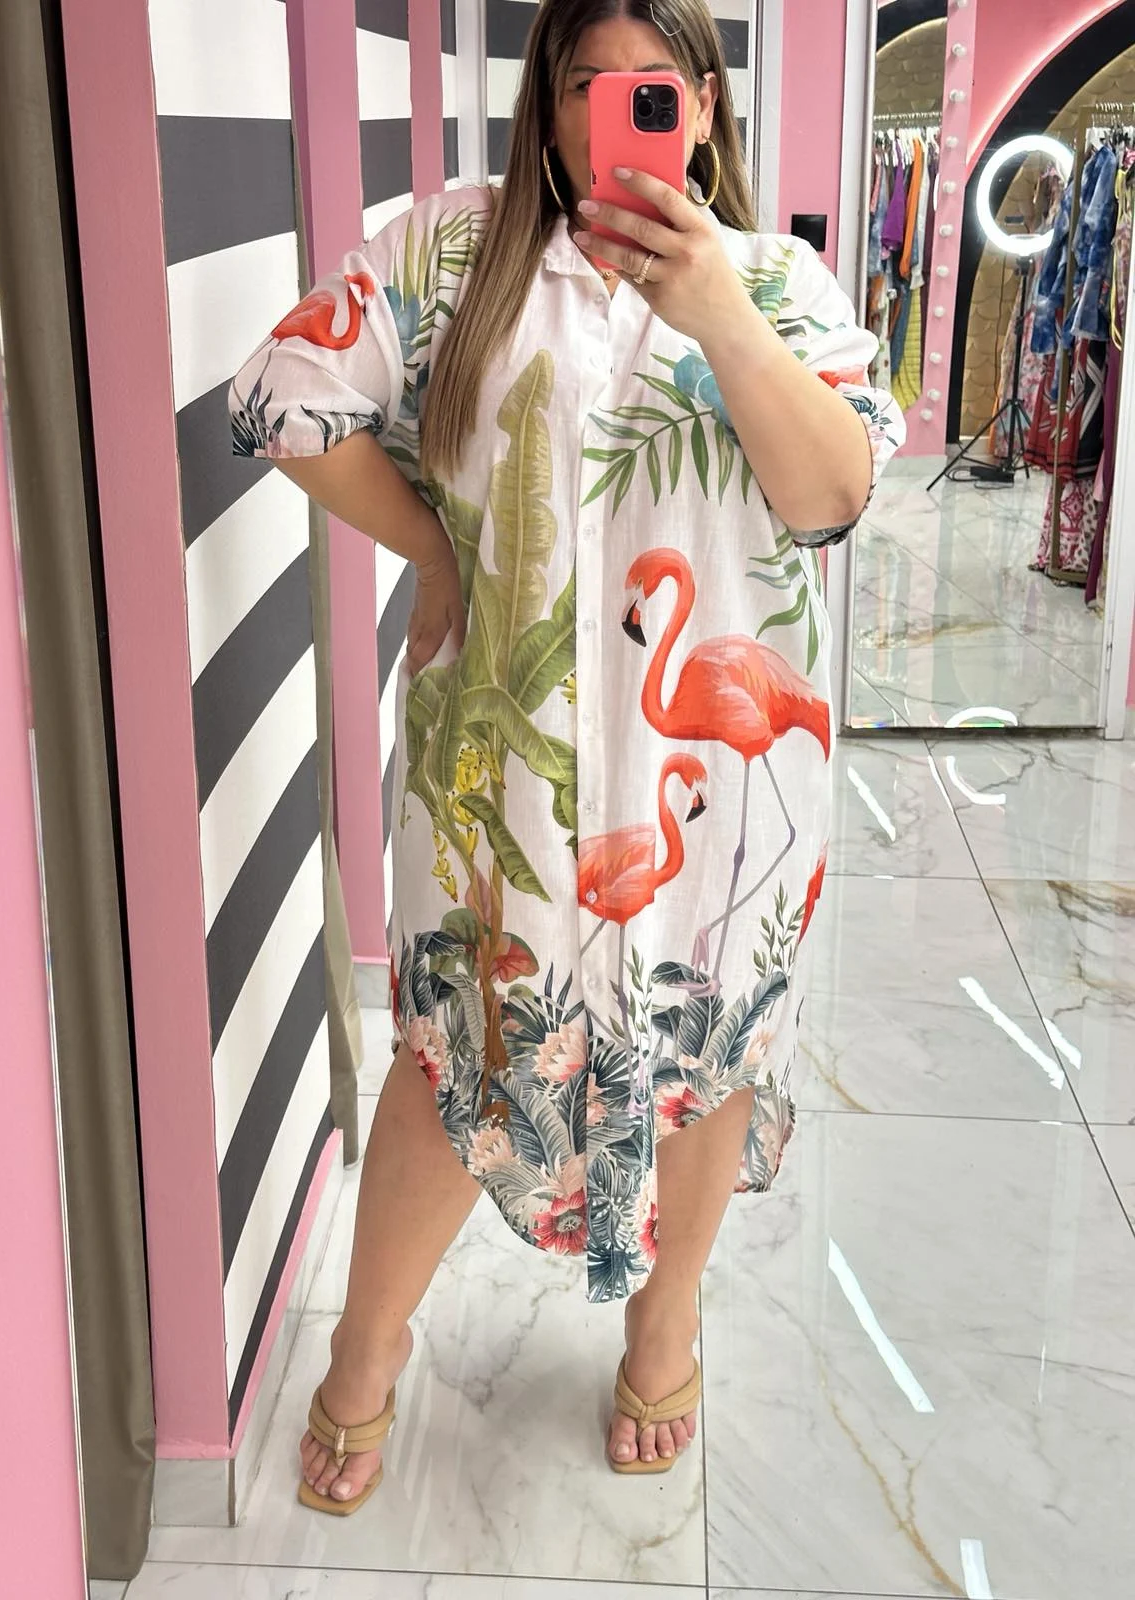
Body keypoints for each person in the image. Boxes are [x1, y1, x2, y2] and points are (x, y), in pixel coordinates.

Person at [229, 0, 903, 1517]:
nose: (622, 116)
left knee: (707, 1052)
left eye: (655, 90)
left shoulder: (782, 284)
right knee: (455, 1062)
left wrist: (719, 311)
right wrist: (432, 548)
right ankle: (366, 1344)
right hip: (499, 796)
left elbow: (833, 498)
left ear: (706, 109)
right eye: (588, 87)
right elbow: (279, 395)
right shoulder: (449, 255)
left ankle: (666, 1327)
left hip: (717, 809)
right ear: (545, 107)